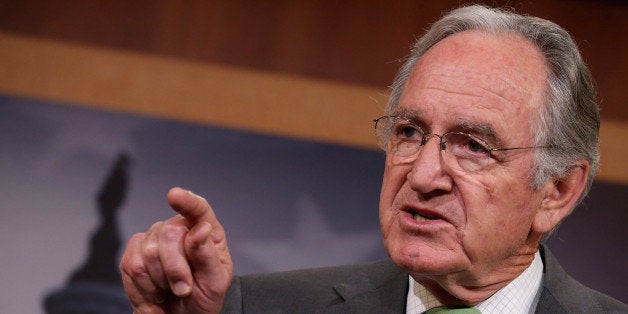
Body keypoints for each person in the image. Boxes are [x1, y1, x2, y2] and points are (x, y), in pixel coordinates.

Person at [119, 5, 627, 313]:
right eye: (409, 132)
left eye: (473, 145)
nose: (424, 176)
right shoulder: (259, 310)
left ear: (557, 190)